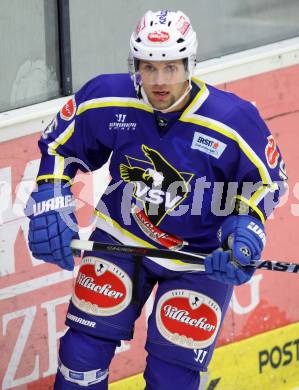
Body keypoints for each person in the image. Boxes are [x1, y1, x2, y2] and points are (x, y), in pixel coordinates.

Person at [25, 9, 287, 390]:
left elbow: (268, 181)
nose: (160, 81)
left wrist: (246, 231)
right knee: (81, 353)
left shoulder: (233, 119)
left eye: (171, 68)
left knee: (172, 379)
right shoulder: (108, 98)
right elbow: (60, 143)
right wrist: (51, 194)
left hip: (197, 259)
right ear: (136, 66)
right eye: (149, 68)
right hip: (120, 239)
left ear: (190, 64)